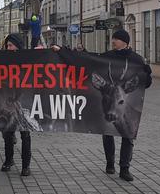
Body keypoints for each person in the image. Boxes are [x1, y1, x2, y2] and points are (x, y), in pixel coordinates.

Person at [52, 29, 151, 182]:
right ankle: (110, 163)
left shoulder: (136, 59)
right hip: (108, 98)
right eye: (113, 39)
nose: (113, 41)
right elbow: (87, 60)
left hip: (125, 101)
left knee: (128, 135)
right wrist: (63, 52)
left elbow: (146, 83)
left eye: (116, 39)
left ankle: (125, 168)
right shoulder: (108, 56)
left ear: (125, 42)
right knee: (107, 132)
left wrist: (147, 73)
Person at [0, 33, 32, 176]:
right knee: (8, 134)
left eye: (11, 45)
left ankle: (26, 165)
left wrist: (56, 50)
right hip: (8, 102)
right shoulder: (4, 59)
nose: (8, 48)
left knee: (25, 135)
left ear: (18, 46)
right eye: (7, 46)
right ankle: (8, 160)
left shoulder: (27, 58)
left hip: (24, 101)